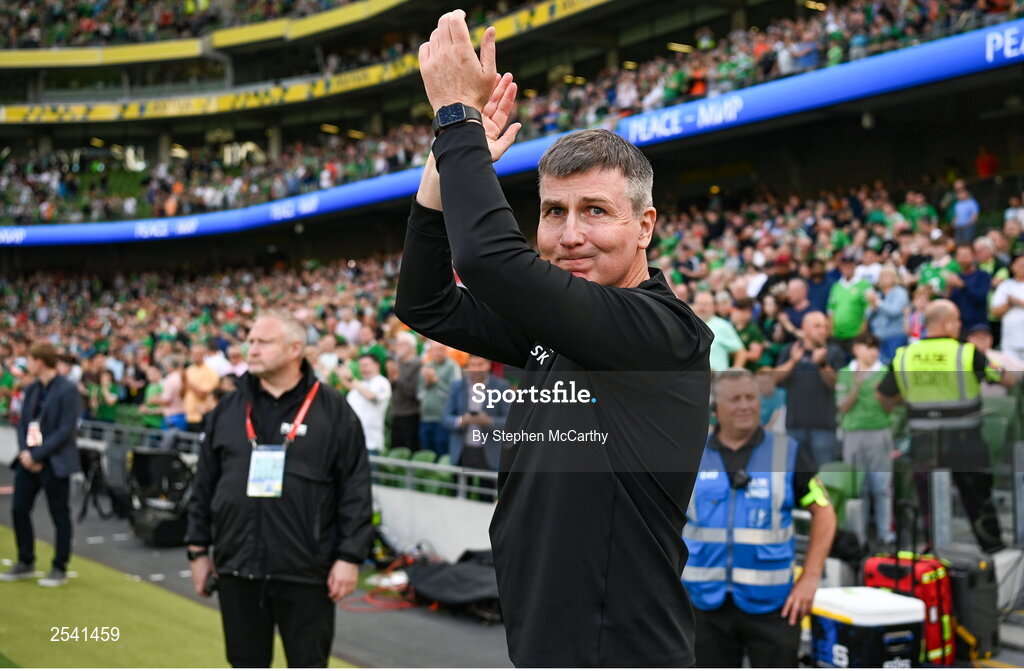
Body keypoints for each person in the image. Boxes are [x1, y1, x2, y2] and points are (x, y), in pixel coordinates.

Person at [396, 11, 712, 665]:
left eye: (594, 211)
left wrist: (454, 115)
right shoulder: (552, 331)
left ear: (645, 225)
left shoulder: (662, 335)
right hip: (544, 641)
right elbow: (424, 301)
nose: (569, 234)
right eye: (552, 212)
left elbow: (486, 259)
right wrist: (439, 172)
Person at [185, 310, 373, 668]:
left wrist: (350, 557)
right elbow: (204, 484)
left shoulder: (333, 410)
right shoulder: (229, 407)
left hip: (306, 572)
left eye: (263, 342)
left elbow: (356, 488)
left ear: (294, 349)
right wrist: (197, 550)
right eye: (250, 341)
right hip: (238, 567)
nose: (250, 349)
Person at [683, 369, 836, 668]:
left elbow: (825, 511)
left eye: (751, 398)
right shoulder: (689, 455)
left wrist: (810, 579)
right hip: (702, 605)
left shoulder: (787, 452)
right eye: (735, 399)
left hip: (773, 607)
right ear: (715, 408)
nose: (745, 405)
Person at [876, 300, 1009, 553]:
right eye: (957, 320)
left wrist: (908, 399)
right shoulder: (965, 351)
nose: (959, 325)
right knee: (978, 500)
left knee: (928, 502)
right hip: (965, 441)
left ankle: (933, 553)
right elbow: (1002, 377)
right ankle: (993, 549)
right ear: (947, 324)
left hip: (924, 442)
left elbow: (883, 395)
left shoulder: (905, 354)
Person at [1, 342, 82, 587]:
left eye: (30, 358)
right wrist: (28, 452)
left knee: (59, 514)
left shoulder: (67, 389)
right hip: (30, 460)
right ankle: (25, 560)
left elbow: (65, 429)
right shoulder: (33, 389)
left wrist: (38, 455)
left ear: (40, 361)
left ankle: (60, 566)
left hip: (54, 462)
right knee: (18, 509)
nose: (27, 363)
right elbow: (25, 422)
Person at [836, 332, 895, 547]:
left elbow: (891, 407)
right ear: (856, 349)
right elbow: (842, 406)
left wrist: (884, 398)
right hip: (852, 434)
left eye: (875, 347)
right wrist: (857, 386)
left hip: (879, 433)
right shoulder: (845, 373)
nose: (872, 352)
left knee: (881, 486)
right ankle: (857, 536)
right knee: (857, 488)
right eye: (866, 346)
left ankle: (885, 533)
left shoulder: (885, 372)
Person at [775, 311, 846, 467]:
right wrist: (793, 362)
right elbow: (775, 380)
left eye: (825, 326)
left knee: (825, 477)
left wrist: (822, 364)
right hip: (794, 425)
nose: (822, 330)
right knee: (795, 478)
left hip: (824, 426)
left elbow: (836, 384)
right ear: (804, 327)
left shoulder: (833, 352)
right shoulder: (790, 350)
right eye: (817, 326)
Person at [443, 354, 511, 469]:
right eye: (473, 365)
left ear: (488, 365)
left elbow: (509, 421)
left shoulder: (501, 386)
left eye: (480, 365)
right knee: (461, 485)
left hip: (489, 450)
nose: (477, 369)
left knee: (487, 485)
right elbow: (445, 417)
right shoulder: (457, 386)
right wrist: (461, 420)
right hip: (462, 449)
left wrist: (489, 421)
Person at [340, 354, 392, 455]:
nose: (363, 369)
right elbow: (351, 389)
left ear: (377, 366)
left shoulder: (382, 382)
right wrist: (342, 377)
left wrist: (351, 379)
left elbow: (370, 395)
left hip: (370, 443)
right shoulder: (360, 384)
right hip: (351, 441)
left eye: (366, 365)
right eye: (361, 366)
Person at [417, 340, 458, 456]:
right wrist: (426, 383)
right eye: (435, 350)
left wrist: (436, 381)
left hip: (442, 420)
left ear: (445, 351)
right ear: (430, 351)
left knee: (442, 452)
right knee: (426, 452)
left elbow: (454, 393)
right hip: (425, 418)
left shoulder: (452, 366)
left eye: (441, 349)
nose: (438, 353)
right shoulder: (427, 365)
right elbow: (419, 392)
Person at [387, 331, 422, 451]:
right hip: (396, 412)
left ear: (411, 346)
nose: (397, 347)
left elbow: (414, 392)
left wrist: (398, 378)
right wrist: (391, 379)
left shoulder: (418, 364)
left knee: (410, 449)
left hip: (411, 414)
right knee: (396, 449)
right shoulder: (397, 364)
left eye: (401, 344)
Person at [693, 290, 744, 371]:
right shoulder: (687, 325)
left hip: (717, 379)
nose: (701, 307)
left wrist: (734, 374)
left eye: (705, 304)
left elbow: (741, 352)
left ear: (714, 307)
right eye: (698, 304)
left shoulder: (723, 326)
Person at [990, 254, 1024, 361]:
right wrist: (1009, 303)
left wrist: (1018, 302)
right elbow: (994, 311)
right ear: (1012, 267)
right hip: (1010, 341)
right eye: (1020, 265)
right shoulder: (1005, 285)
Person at [183, 344, 219, 432]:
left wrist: (186, 381)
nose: (195, 356)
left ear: (204, 354)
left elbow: (202, 394)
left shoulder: (211, 372)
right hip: (187, 416)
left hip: (201, 417)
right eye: (193, 354)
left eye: (198, 354)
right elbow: (183, 393)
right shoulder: (189, 370)